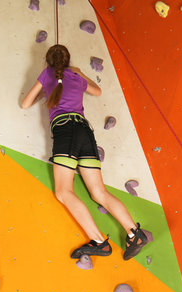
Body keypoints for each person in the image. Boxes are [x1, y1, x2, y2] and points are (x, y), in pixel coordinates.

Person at [21, 44, 148, 261]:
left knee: (63, 192)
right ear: (68, 61)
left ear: (48, 62)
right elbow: (97, 91)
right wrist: (80, 73)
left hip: (66, 131)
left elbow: (25, 104)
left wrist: (46, 87)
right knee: (99, 192)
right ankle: (135, 234)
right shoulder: (76, 76)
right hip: (84, 131)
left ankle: (98, 241)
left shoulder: (47, 74)